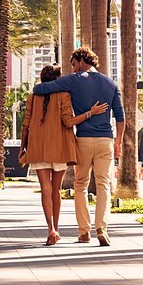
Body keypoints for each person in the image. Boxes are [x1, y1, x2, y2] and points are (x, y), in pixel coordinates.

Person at [32, 47, 124, 246]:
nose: (72, 69)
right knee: (103, 185)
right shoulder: (110, 83)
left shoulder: (74, 80)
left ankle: (84, 232)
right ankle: (102, 228)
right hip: (106, 140)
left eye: (74, 64)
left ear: (82, 61)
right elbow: (120, 117)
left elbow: (40, 89)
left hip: (82, 139)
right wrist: (118, 142)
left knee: (81, 185)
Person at [18, 65, 108, 245]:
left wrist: (23, 148)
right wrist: (91, 112)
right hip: (60, 147)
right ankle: (57, 229)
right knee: (56, 190)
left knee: (45, 189)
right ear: (57, 79)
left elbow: (26, 125)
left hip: (38, 147)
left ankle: (50, 228)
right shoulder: (64, 95)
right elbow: (69, 122)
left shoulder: (32, 97)